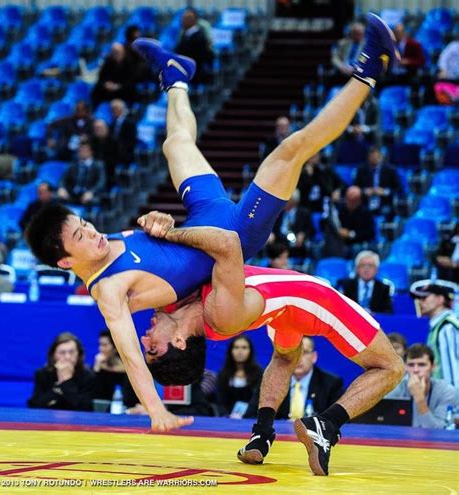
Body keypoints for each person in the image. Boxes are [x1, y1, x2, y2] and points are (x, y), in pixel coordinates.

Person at [24, 13, 400, 433]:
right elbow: (132, 355)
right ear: (64, 262)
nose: (92, 231)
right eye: (80, 236)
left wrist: (159, 221)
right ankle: (370, 70)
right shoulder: (110, 291)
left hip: (202, 218)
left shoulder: (101, 243)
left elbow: (159, 242)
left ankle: (176, 78)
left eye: (85, 223)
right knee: (291, 150)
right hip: (233, 233)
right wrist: (157, 411)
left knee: (175, 144)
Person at [141, 223, 403, 476]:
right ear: (179, 342)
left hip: (280, 311)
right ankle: (327, 423)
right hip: (309, 297)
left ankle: (261, 434)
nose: (144, 340)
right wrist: (170, 232)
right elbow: (226, 241)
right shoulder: (216, 314)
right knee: (391, 367)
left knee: (285, 356)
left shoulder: (169, 308)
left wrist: (158, 227)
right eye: (153, 348)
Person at [245, 337, 344, 420]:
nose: (298, 358)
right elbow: (251, 417)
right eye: (293, 352)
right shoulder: (270, 381)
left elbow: (338, 421)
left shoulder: (331, 384)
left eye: (304, 352)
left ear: (314, 357)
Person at [386, 344, 457, 428]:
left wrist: (419, 399)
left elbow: (438, 431)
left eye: (422, 365)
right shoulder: (395, 387)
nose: (416, 370)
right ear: (405, 367)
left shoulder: (447, 391)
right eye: (411, 365)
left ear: (433, 367)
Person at [28, 332, 96, 411]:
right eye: (62, 353)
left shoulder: (88, 376)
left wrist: (67, 381)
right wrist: (58, 388)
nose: (67, 357)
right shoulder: (42, 374)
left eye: (72, 352)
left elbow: (84, 408)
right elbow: (34, 406)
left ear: (79, 354)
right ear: (53, 355)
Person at [410, 280, 459, 388]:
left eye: (424, 298)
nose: (420, 302)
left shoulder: (446, 328)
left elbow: (452, 371)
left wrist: (452, 402)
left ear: (440, 299)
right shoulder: (439, 326)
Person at [323, 185, 376, 258]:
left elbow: (370, 233)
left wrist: (351, 234)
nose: (348, 202)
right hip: (341, 241)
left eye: (352, 200)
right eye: (347, 199)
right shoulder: (342, 209)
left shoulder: (366, 213)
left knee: (355, 249)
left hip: (358, 242)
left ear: (358, 201)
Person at [216, 336, 263, 418]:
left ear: (250, 351)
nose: (240, 351)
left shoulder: (259, 374)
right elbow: (220, 402)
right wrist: (226, 416)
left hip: (252, 418)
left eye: (244, 348)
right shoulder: (223, 375)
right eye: (236, 347)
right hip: (228, 419)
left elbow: (259, 401)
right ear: (231, 351)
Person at [353, 146, 403, 220]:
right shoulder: (361, 170)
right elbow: (355, 188)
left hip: (384, 202)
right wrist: (364, 191)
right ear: (368, 157)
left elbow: (399, 189)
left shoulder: (390, 170)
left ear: (381, 157)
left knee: (387, 212)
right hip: (366, 202)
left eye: (376, 156)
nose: (374, 159)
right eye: (372, 156)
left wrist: (384, 192)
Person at [57, 140, 106, 205]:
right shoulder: (73, 164)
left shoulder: (98, 165)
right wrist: (62, 188)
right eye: (80, 150)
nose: (82, 152)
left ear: (91, 151)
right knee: (56, 197)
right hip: (72, 194)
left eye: (85, 150)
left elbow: (101, 183)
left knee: (94, 200)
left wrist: (92, 192)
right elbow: (63, 179)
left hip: (89, 194)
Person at [271, 188, 314, 259]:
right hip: (279, 243)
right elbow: (273, 228)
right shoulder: (279, 212)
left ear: (294, 201)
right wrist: (271, 233)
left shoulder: (304, 213)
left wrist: (303, 234)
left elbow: (311, 230)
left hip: (296, 244)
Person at [175, 9, 213, 85]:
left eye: (186, 19)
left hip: (195, 72)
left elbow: (198, 57)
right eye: (183, 18)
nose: (183, 21)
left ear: (194, 21)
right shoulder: (184, 35)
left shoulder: (199, 37)